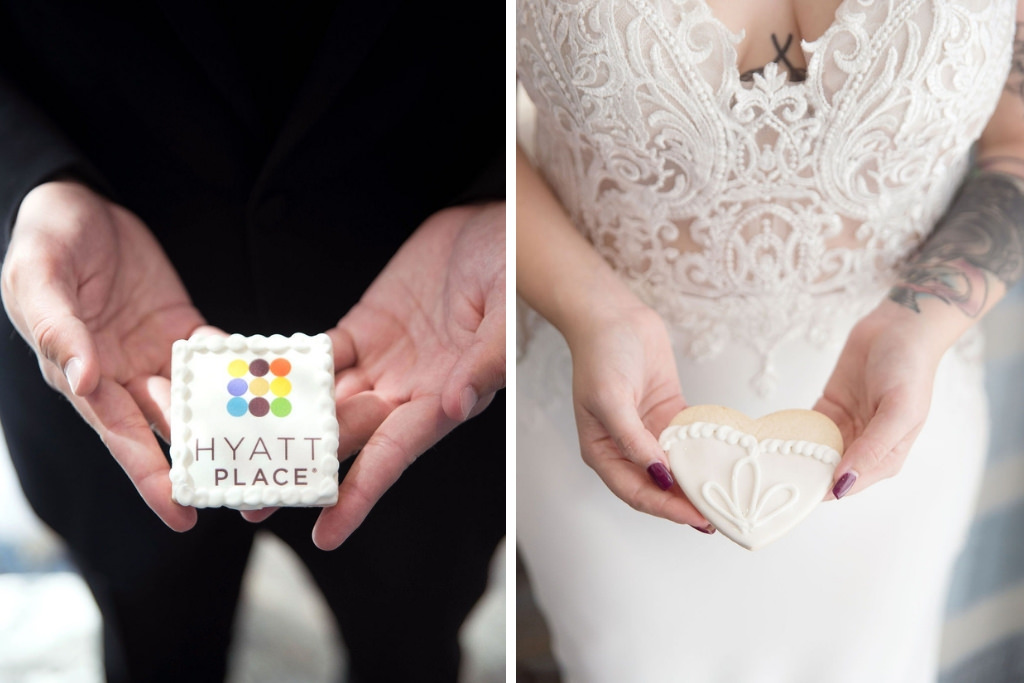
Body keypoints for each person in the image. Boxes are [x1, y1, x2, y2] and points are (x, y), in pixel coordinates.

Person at [516, 0, 1024, 680]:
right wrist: (592, 310)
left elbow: (1015, 146)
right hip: (614, 424)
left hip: (897, 429)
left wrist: (920, 320)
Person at [0, 2, 504, 682]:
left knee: (411, 646)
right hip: (108, 349)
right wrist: (25, 180)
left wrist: (505, 199)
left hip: (434, 375)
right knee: (154, 648)